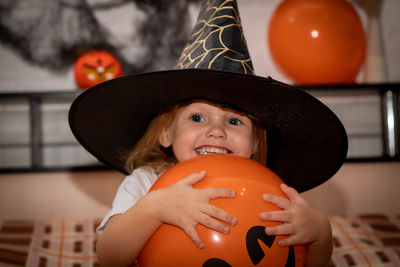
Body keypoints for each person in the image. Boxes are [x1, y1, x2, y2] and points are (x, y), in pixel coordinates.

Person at [69, 0, 348, 266]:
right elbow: (108, 258)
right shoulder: (146, 183)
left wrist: (320, 236)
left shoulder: (269, 191)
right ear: (166, 133)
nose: (216, 131)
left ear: (254, 143)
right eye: (197, 117)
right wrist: (152, 209)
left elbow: (298, 260)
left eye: (235, 122)